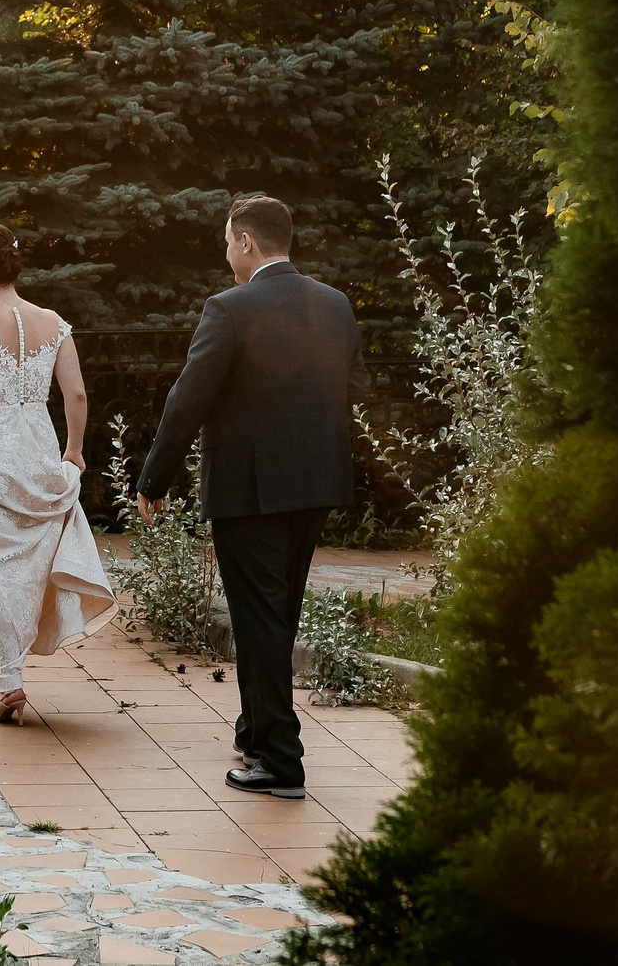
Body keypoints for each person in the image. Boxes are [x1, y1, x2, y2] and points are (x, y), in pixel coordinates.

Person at [134, 194, 362, 799]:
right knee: (278, 611)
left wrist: (152, 479)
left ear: (246, 243)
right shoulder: (334, 305)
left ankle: (281, 761)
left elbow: (188, 400)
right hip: (315, 483)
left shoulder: (230, 308)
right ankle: (257, 727)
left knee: (258, 618)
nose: (226, 251)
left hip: (250, 489)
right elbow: (353, 387)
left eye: (227, 240)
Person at [0, 222, 117, 724]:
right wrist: (74, 449)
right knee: (24, 563)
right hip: (38, 449)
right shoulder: (53, 322)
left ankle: (10, 683)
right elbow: (75, 394)